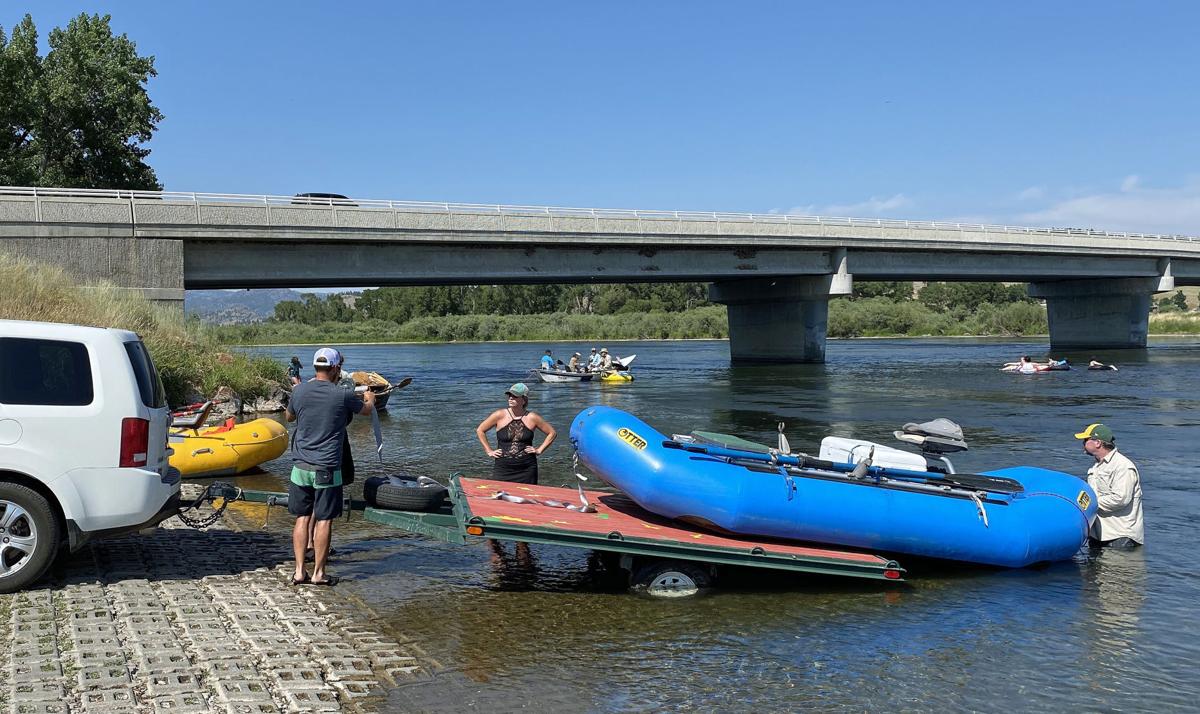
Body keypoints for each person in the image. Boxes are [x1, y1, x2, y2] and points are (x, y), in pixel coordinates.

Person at [285, 347, 374, 586]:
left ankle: (299, 572)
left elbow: (289, 417)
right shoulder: (342, 395)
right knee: (324, 520)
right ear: (335, 369)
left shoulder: (299, 391)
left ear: (315, 367)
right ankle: (319, 574)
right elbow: (366, 411)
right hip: (327, 467)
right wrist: (370, 398)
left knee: (302, 518)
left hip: (299, 466)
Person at [1075, 423, 1143, 548]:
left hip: (1120, 537)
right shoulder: (1096, 467)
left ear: (1097, 443)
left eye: (1085, 440)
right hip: (1098, 535)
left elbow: (1120, 498)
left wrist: (1090, 504)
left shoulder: (1123, 466)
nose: (1083, 443)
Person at [475, 383, 556, 484]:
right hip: (503, 468)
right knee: (500, 495)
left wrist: (539, 450)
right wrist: (489, 451)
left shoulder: (532, 417)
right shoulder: (499, 415)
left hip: (527, 468)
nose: (510, 399)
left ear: (524, 400)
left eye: (515, 396)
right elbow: (480, 430)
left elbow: (552, 433)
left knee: (527, 497)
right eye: (510, 396)